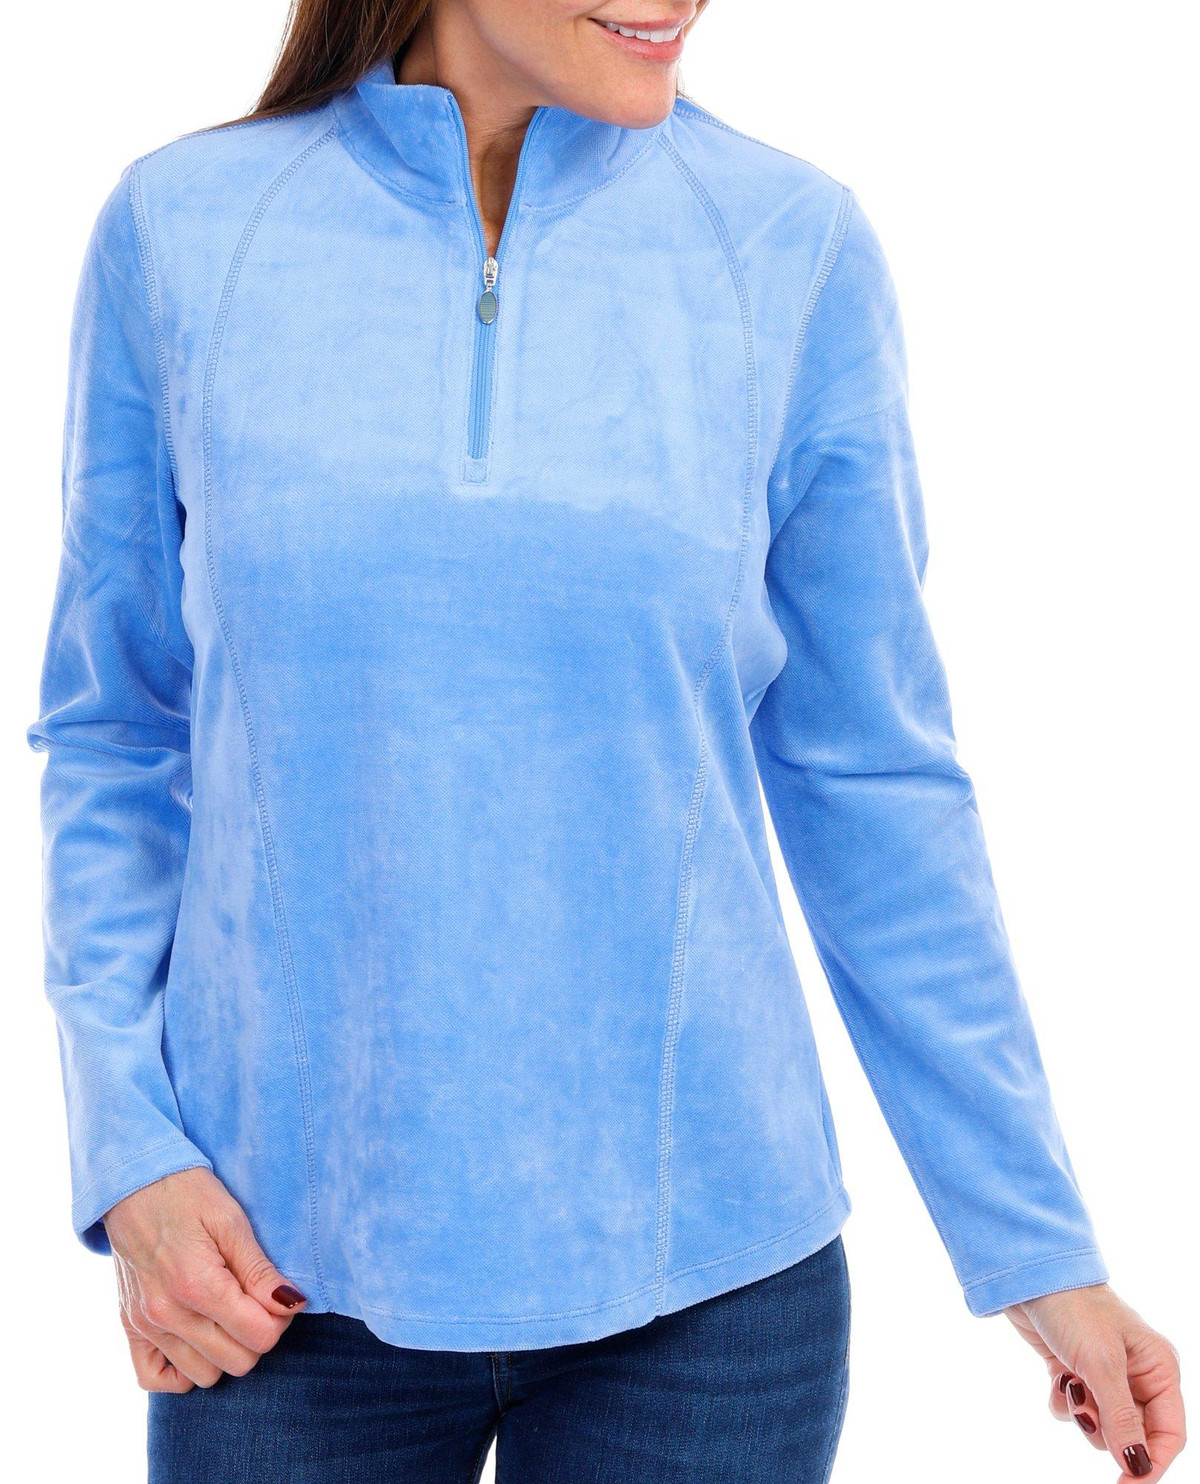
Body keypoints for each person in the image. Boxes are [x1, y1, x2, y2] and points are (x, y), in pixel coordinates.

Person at [28, 2, 1185, 1481]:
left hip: (709, 1292)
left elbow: (874, 779)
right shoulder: (185, 231)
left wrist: (1036, 1245)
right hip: (271, 1279)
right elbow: (115, 729)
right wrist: (132, 1152)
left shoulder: (790, 245)